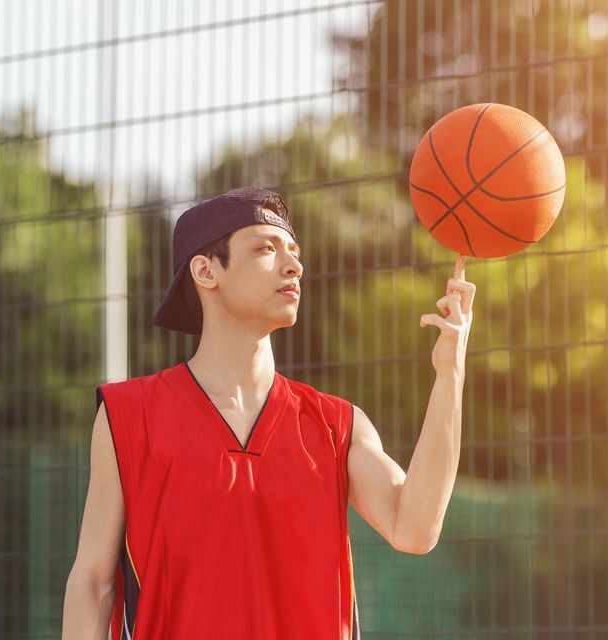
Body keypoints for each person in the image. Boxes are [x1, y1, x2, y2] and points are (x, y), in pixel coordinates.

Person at [61, 187, 473, 639]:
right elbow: (93, 583)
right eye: (265, 248)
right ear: (206, 271)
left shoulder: (337, 425)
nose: (293, 265)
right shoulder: (129, 416)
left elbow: (415, 528)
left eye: (294, 252)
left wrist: (450, 373)